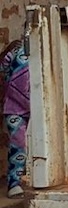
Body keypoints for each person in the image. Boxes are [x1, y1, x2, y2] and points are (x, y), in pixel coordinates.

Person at [0, 40, 30, 198]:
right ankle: (14, 182)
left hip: (41, 107)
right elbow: (2, 69)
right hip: (15, 107)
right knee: (18, 144)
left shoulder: (47, 49)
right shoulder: (17, 51)